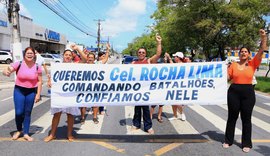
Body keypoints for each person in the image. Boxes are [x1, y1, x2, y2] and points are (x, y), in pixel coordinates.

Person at [223, 29, 267, 153]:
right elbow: (227, 78)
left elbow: (262, 50)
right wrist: (221, 72)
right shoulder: (233, 65)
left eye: (245, 51)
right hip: (234, 91)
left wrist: (263, 37)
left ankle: (246, 143)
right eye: (241, 51)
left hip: (248, 92)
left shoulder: (253, 63)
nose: (243, 53)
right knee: (232, 117)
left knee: (246, 119)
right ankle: (228, 140)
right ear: (239, 54)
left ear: (248, 54)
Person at [2, 47, 42, 141]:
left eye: (31, 53)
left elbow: (39, 81)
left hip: (31, 92)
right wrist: (6, 72)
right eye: (28, 53)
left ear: (34, 55)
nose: (29, 55)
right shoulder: (18, 64)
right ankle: (19, 130)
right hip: (19, 90)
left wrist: (38, 94)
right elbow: (7, 70)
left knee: (27, 113)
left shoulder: (37, 66)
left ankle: (26, 133)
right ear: (24, 54)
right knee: (19, 112)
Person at [44, 49, 81, 142]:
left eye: (69, 55)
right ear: (63, 56)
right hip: (59, 94)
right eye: (66, 55)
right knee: (57, 114)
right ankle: (52, 135)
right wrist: (49, 82)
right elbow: (52, 78)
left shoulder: (74, 66)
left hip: (70, 94)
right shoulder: (57, 66)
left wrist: (77, 48)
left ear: (72, 57)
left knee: (70, 115)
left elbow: (84, 59)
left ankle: (69, 135)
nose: (68, 56)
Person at [132, 34, 162, 134]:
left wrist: (159, 42)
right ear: (137, 54)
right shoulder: (133, 63)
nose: (141, 53)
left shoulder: (149, 61)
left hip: (146, 89)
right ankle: (136, 124)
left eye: (143, 52)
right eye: (139, 52)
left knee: (145, 108)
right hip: (136, 89)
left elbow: (158, 54)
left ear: (145, 54)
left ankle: (148, 127)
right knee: (137, 108)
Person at [165, 52, 186, 121]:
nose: (174, 58)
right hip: (173, 85)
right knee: (173, 101)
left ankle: (182, 113)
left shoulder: (183, 65)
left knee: (178, 101)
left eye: (175, 57)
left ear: (178, 57)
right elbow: (172, 65)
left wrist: (169, 58)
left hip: (180, 85)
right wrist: (168, 58)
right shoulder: (176, 64)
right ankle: (175, 115)